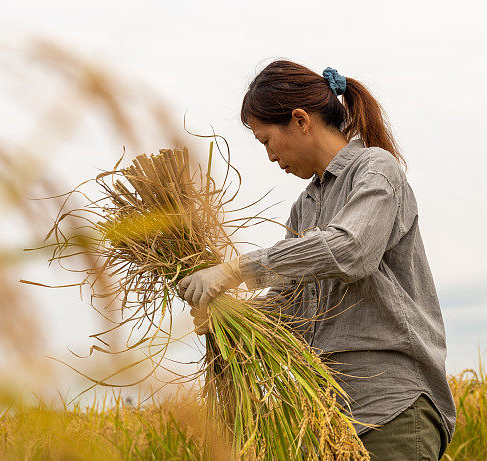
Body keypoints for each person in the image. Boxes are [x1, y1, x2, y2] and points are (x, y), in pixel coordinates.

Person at [178, 60, 456, 460]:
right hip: (328, 418)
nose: (270, 156)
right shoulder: (304, 207)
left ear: (300, 120)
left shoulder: (375, 170)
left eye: (266, 140)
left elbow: (350, 249)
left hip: (389, 408)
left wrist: (236, 270)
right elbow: (295, 309)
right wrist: (227, 319)